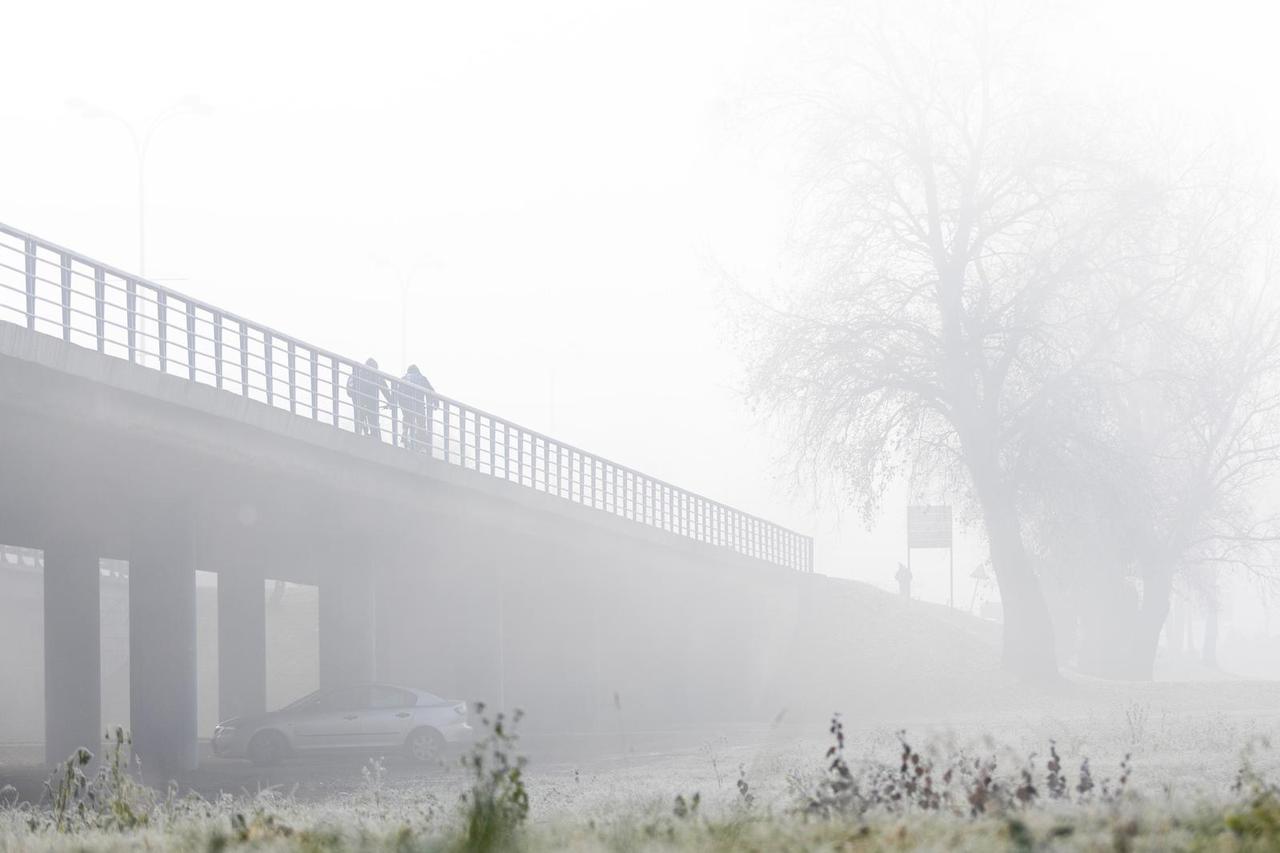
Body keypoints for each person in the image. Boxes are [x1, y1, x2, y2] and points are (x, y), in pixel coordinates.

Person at [346, 357, 393, 439]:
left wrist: (353, 395)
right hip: (371, 402)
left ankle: (358, 436)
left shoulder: (355, 373)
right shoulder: (376, 374)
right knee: (374, 423)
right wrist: (391, 401)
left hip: (358, 400)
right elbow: (385, 389)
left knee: (358, 419)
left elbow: (349, 388)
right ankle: (376, 440)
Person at [397, 364, 437, 451]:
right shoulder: (422, 378)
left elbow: (397, 392)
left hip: (406, 404)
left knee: (407, 418)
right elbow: (431, 391)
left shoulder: (404, 378)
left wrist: (396, 403)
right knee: (421, 423)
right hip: (418, 405)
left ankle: (405, 432)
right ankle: (421, 443)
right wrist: (436, 403)